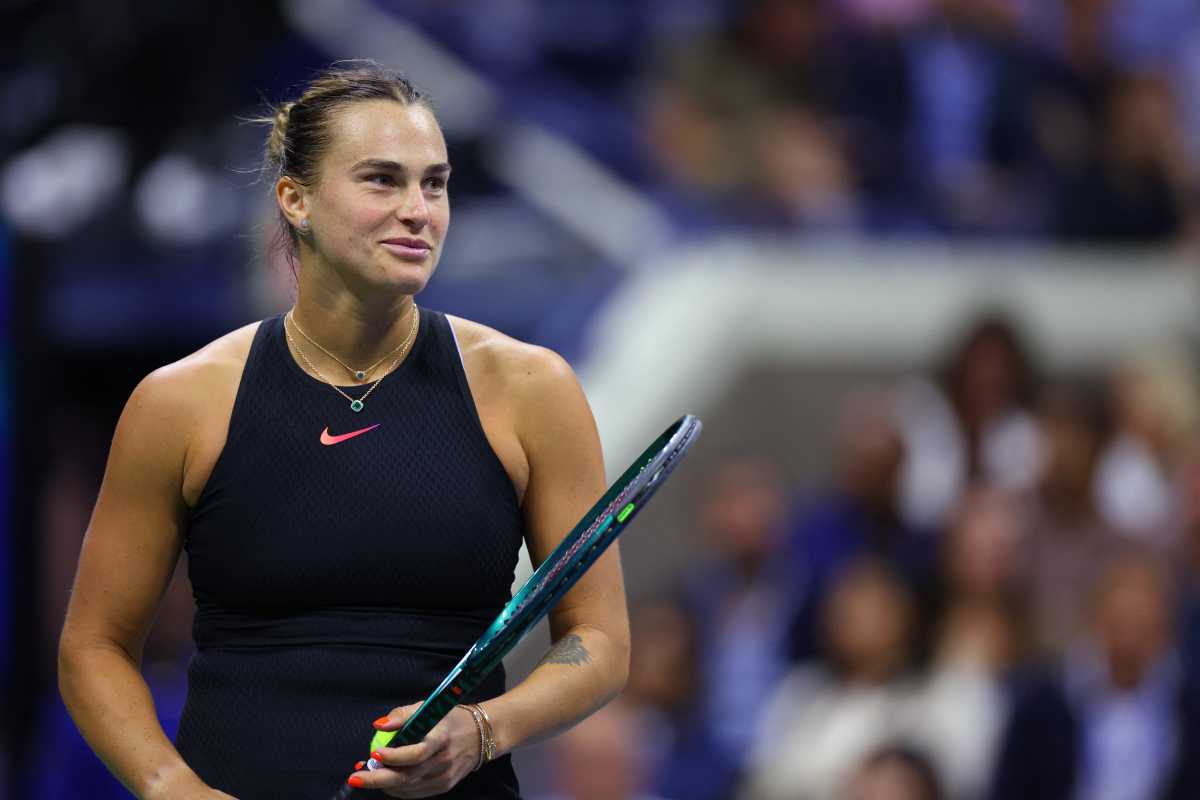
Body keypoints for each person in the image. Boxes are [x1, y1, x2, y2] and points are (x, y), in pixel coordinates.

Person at [56, 60, 631, 800]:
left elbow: (599, 641)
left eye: (435, 183)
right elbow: (94, 646)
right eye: (382, 180)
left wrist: (483, 729)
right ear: (295, 200)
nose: (419, 210)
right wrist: (170, 785)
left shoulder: (532, 389)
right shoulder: (180, 401)